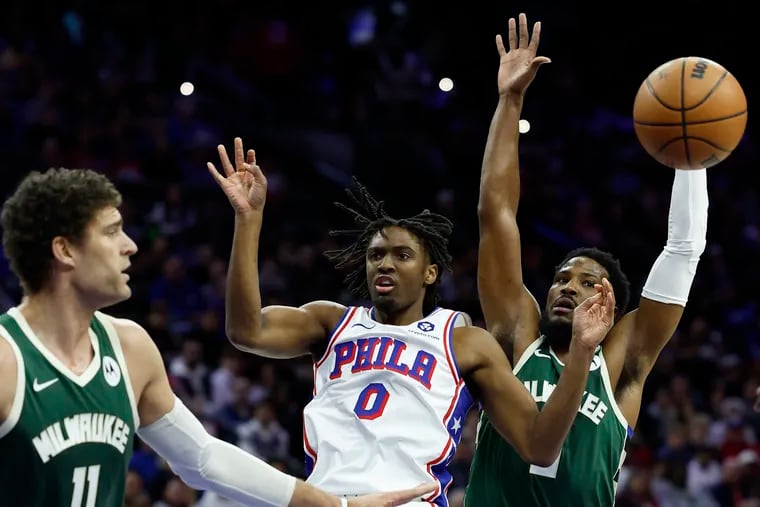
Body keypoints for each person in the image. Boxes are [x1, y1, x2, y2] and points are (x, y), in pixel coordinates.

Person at [207, 137, 617, 504]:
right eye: (376, 255)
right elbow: (246, 331)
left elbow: (539, 445)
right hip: (329, 499)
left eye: (401, 255)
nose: (385, 263)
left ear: (430, 272)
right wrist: (248, 221)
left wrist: (581, 351)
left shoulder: (463, 341)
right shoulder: (329, 322)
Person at [0, 167, 438, 507]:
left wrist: (337, 504)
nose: (130, 245)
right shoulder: (8, 358)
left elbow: (203, 459)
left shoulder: (129, 347)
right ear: (65, 250)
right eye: (112, 231)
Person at [464, 13, 709, 506]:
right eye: (560, 278)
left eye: (586, 281)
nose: (567, 286)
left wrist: (690, 160)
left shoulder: (622, 363)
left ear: (611, 307)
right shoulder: (518, 337)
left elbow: (683, 252)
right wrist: (510, 100)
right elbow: (497, 213)